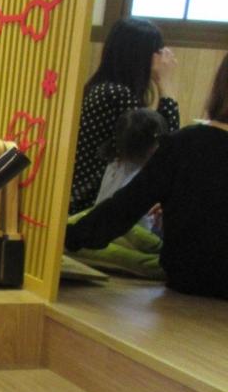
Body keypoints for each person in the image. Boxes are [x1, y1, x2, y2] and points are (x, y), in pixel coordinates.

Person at [65, 52, 228, 300]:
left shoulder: (185, 143)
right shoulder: (183, 143)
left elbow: (124, 208)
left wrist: (66, 238)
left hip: (185, 278)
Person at [70, 17, 179, 214]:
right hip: (90, 204)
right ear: (141, 55)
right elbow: (164, 148)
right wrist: (166, 84)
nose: (162, 60)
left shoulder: (104, 88)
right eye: (157, 52)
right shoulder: (116, 94)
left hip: (88, 199)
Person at [95, 107, 168, 234]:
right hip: (130, 238)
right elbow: (147, 226)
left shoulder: (114, 164)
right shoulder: (142, 180)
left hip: (101, 228)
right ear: (153, 148)